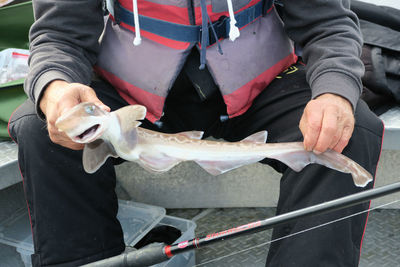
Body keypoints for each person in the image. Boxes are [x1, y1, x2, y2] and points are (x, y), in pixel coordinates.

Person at [8, 0, 384, 266]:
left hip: (261, 84)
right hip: (130, 95)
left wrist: (335, 91)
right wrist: (54, 87)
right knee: (41, 127)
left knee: (350, 130)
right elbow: (59, 36)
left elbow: (329, 27)